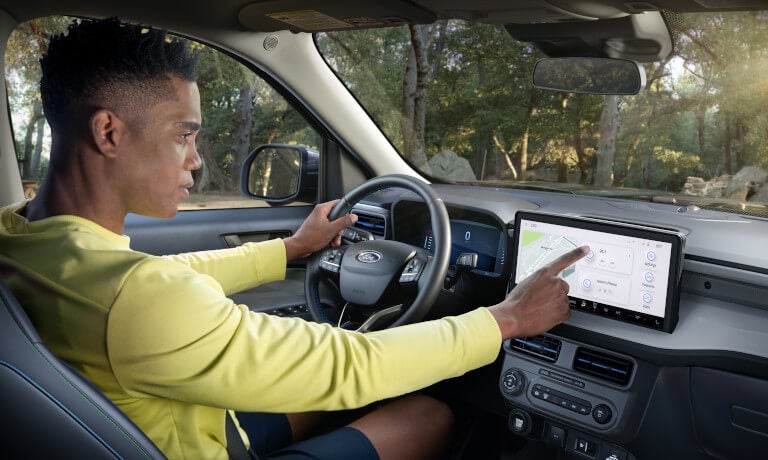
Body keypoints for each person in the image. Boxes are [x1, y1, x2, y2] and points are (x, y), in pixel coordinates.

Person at [0, 17, 586, 460]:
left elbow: (171, 282)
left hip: (156, 424)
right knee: (428, 415)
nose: (196, 161)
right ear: (108, 131)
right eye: (184, 134)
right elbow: (354, 363)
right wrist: (507, 320)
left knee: (337, 396)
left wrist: (290, 249)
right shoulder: (139, 302)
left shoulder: (20, 231)